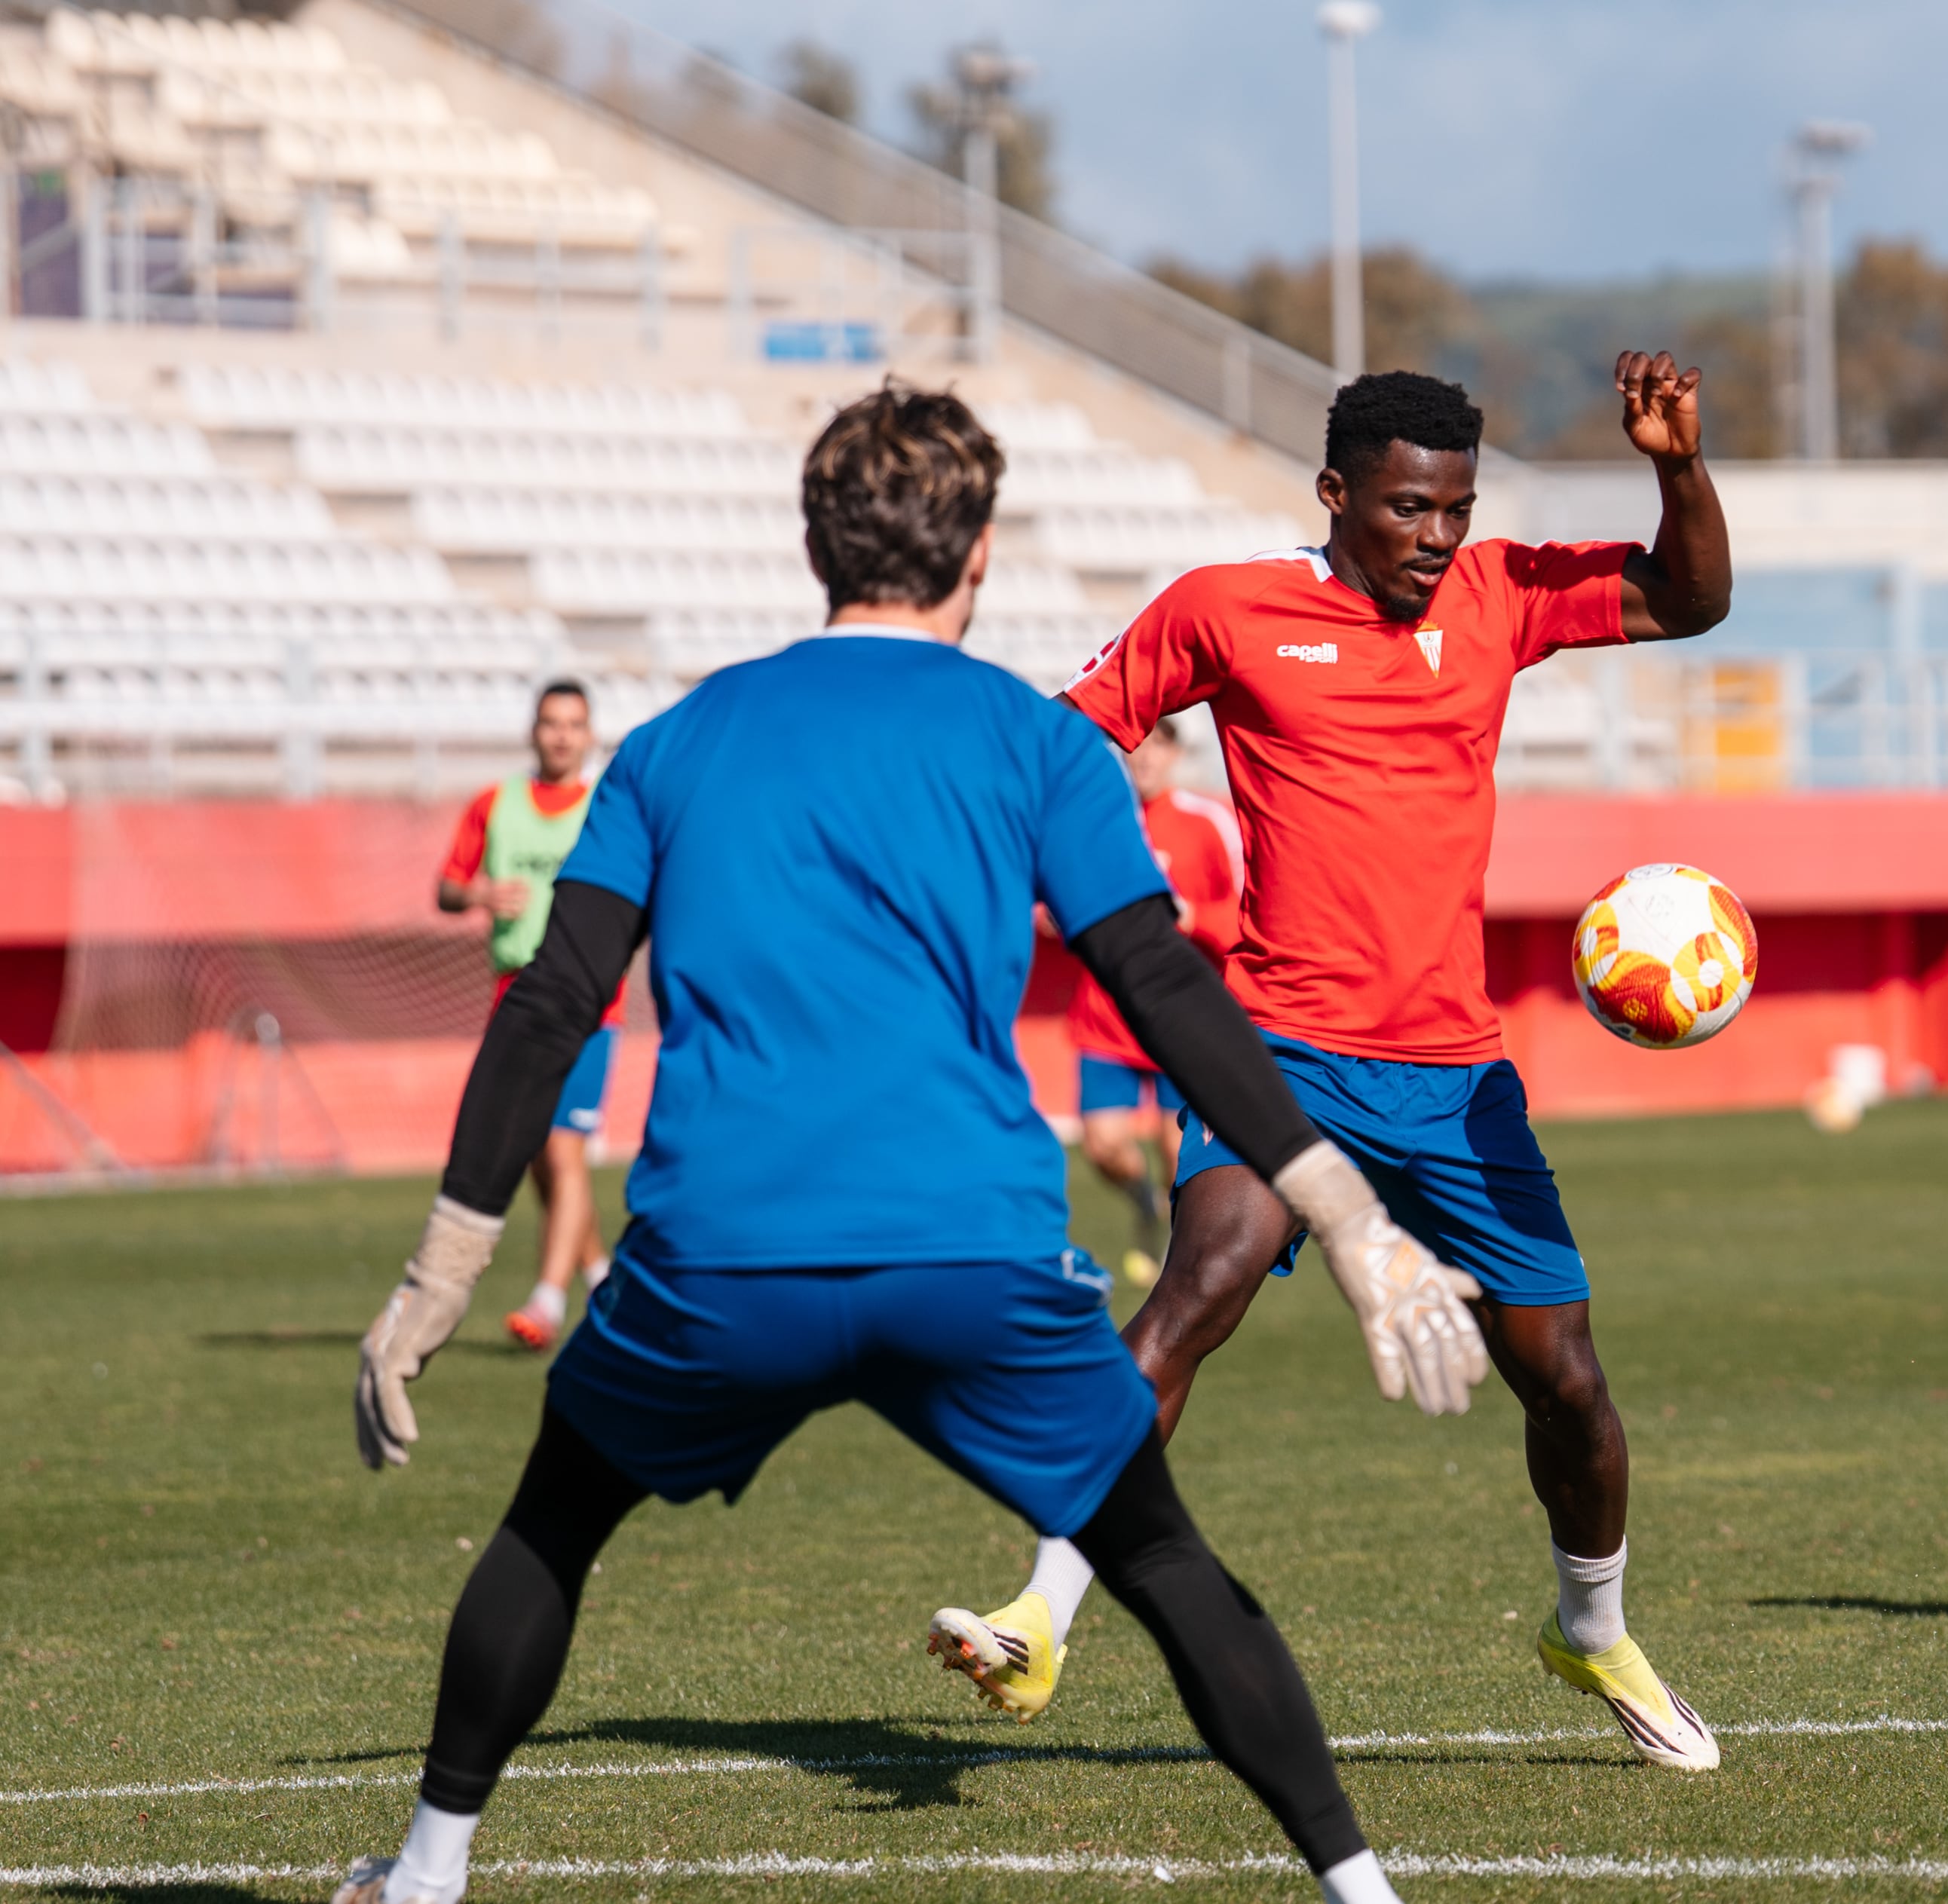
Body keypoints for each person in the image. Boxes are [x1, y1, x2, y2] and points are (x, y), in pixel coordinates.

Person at [334, 384, 1489, 1904]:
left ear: (816, 544)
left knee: (550, 1524)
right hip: (974, 1255)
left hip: (718, 1260)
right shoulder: (1034, 743)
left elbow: (554, 1000)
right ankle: (1362, 1896)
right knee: (1158, 1563)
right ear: (982, 554)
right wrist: (1347, 1215)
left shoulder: (680, 741)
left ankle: (423, 1878)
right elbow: (1160, 981)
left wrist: (442, 1268)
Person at [930, 357, 1735, 1771]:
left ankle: (1590, 1626)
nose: (1433, 539)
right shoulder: (1226, 611)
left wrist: (1674, 466)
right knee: (1199, 1284)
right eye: (1406, 510)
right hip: (1281, 1053)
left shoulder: (1499, 597)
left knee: (1567, 1387)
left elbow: (1690, 599)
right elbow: (1064, 742)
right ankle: (1040, 1613)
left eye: (1454, 510)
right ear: (1334, 495)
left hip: (1456, 1080)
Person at [435, 681, 617, 1351]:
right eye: (551, 723)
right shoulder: (496, 805)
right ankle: (602, 1278)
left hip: (593, 1002)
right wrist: (480, 891)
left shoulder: (607, 807)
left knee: (562, 1147)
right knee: (543, 1153)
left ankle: (546, 1301)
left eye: (574, 724)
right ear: (533, 731)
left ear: (590, 734)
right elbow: (447, 886)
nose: (562, 736)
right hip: (514, 996)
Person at [1065, 717, 1243, 1287]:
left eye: (1153, 746)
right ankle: (1141, 1199)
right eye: (1131, 747)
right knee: (1104, 1148)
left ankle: (1180, 1260)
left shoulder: (1205, 821)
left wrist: (1191, 917)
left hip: (1180, 1015)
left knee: (1177, 1149)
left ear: (1173, 753)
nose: (1140, 757)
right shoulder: (1095, 823)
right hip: (1106, 1017)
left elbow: (1245, 912)